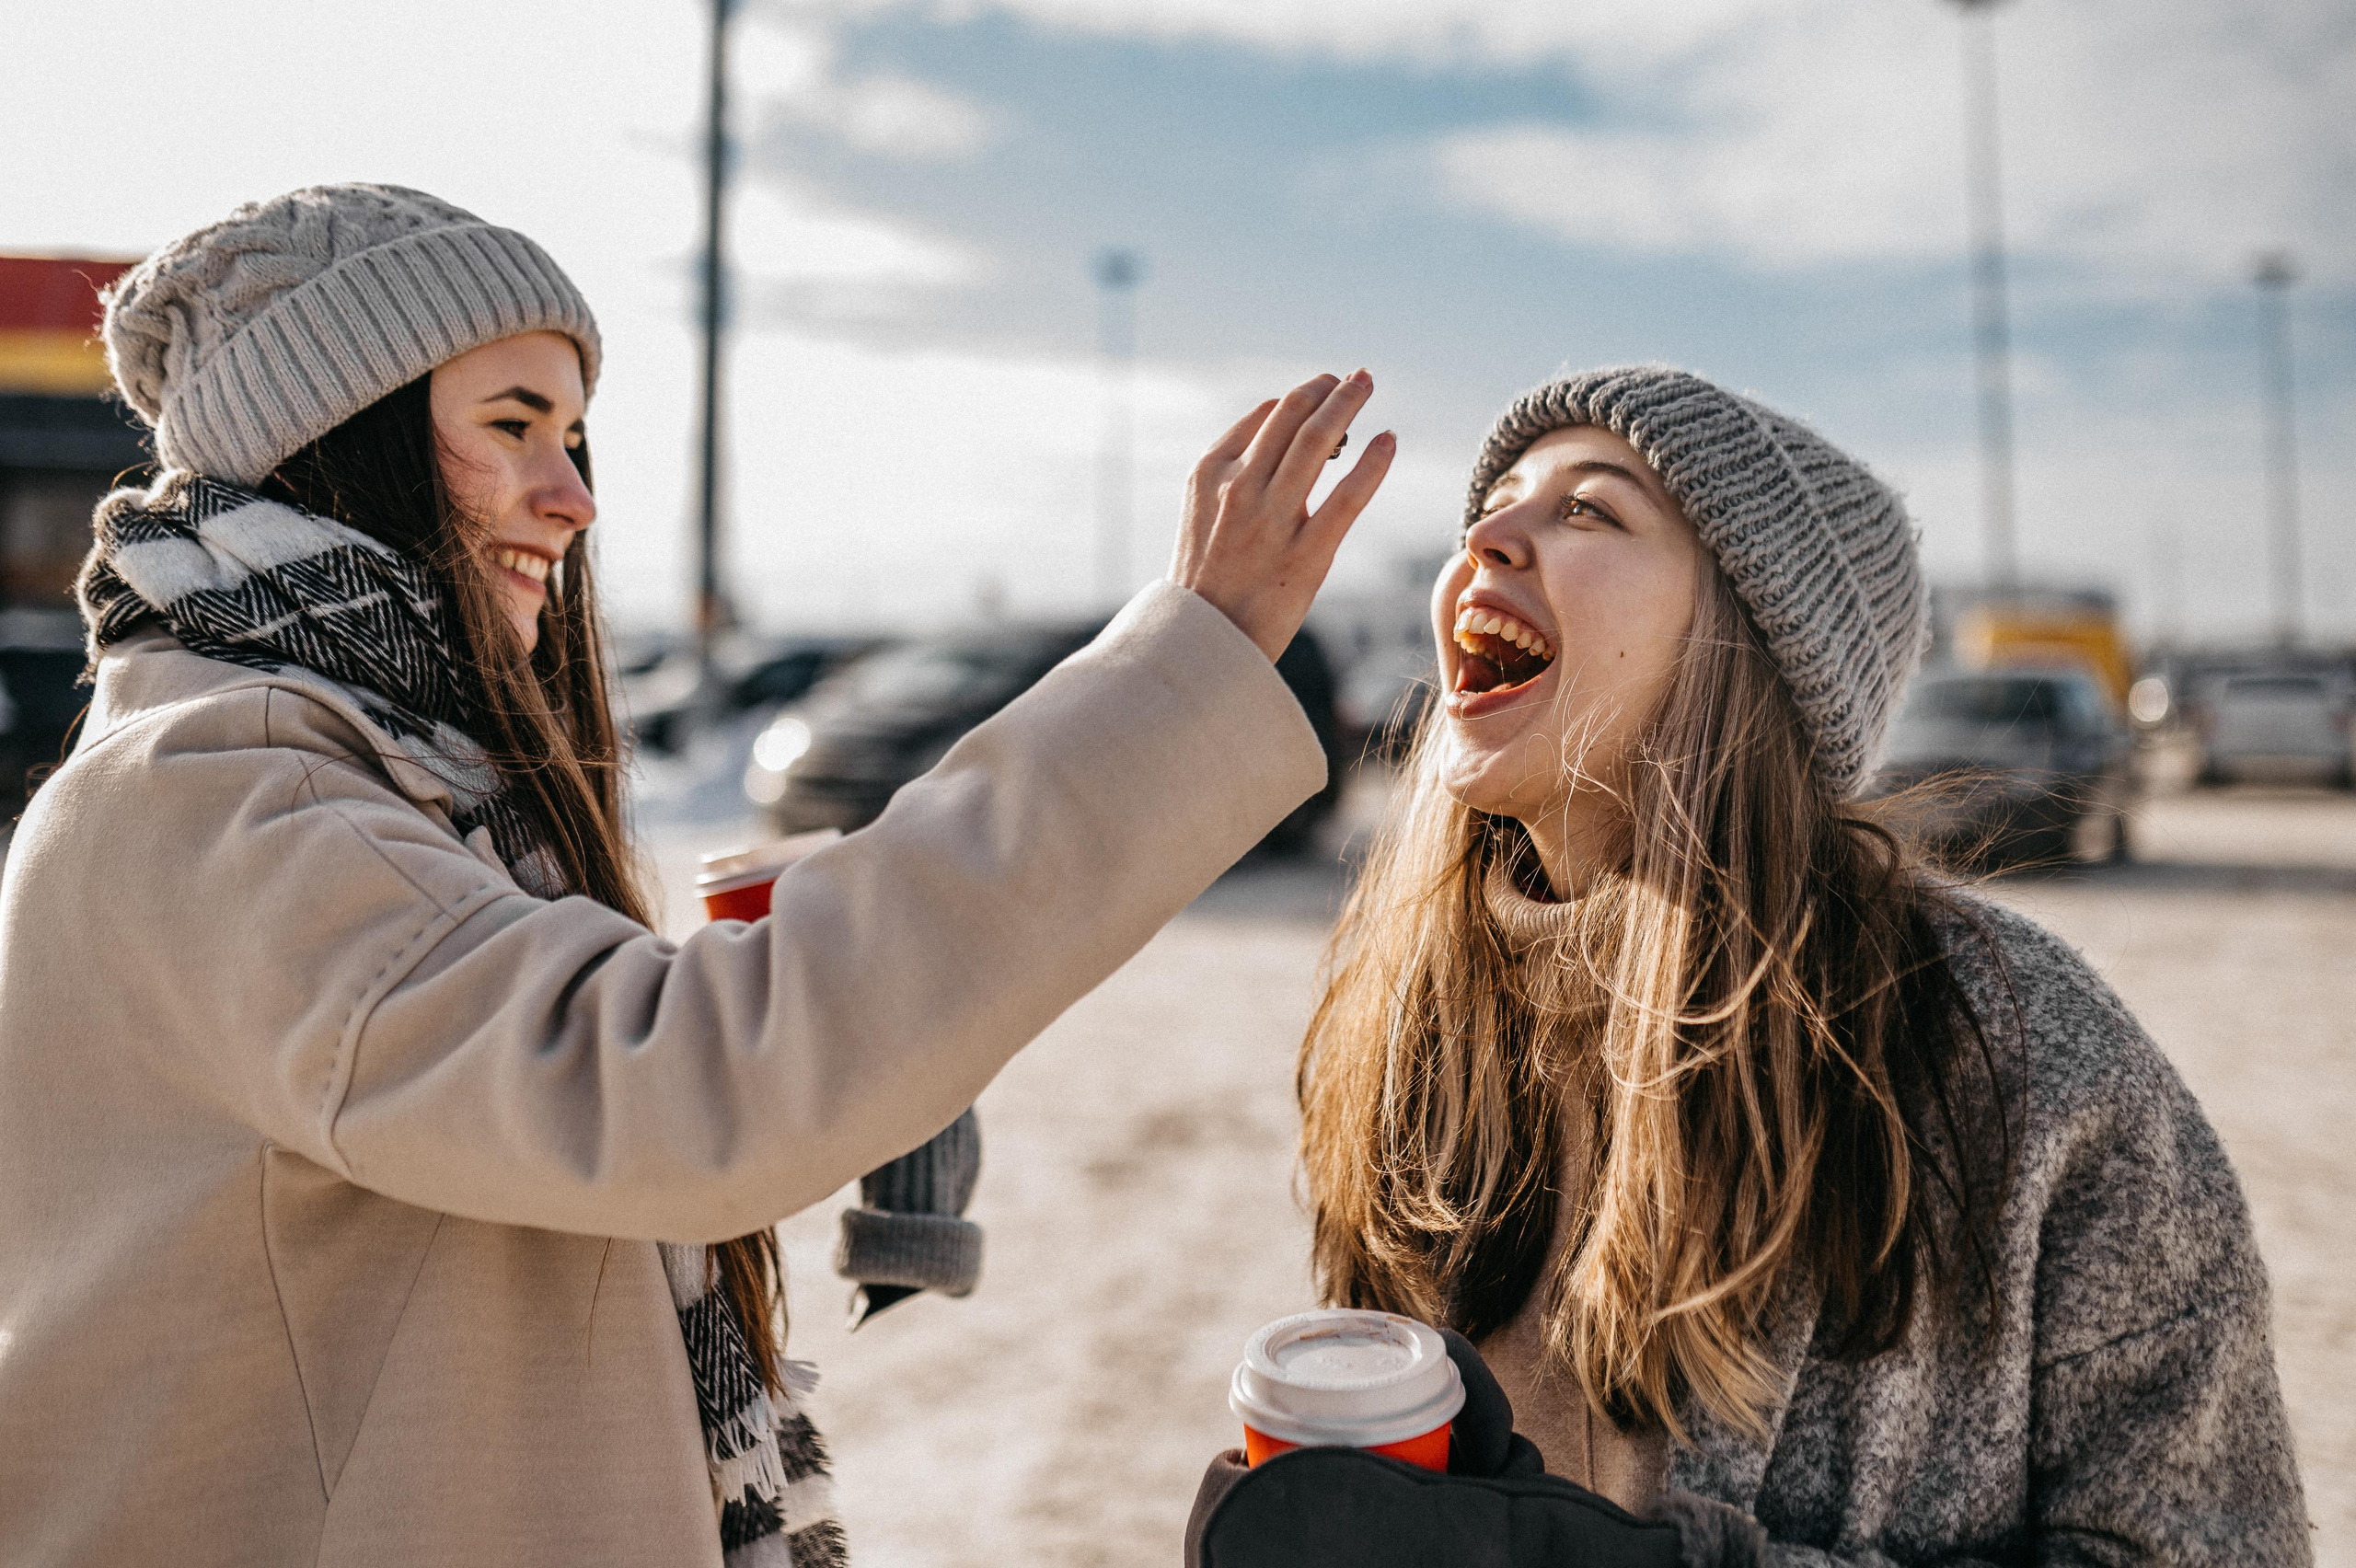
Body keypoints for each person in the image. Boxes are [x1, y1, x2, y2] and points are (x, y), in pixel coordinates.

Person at [0, 183, 1395, 1568]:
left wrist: (793, 964)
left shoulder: (355, 781)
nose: (574, 496)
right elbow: (678, 1093)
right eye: (511, 427)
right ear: (336, 451)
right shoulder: (229, 795)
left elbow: (572, 1086)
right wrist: (1185, 664)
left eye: (574, 435)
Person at [1188, 367, 2310, 1566]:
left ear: (1751, 639)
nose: (1485, 541)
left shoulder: (2017, 1055)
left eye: (1591, 510)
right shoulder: (1413, 1009)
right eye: (1492, 507)